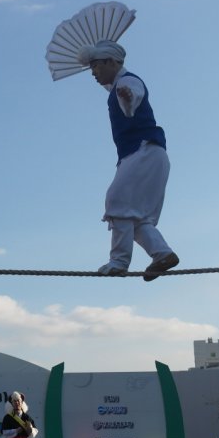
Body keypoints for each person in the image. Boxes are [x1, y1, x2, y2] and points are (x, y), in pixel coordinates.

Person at [78, 39, 179, 281]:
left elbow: (132, 95)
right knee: (135, 218)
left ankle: (119, 261)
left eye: (96, 66)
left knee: (117, 201)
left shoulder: (128, 82)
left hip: (143, 151)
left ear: (112, 62)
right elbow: (116, 89)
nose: (93, 72)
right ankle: (162, 254)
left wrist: (127, 96)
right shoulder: (117, 84)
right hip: (148, 154)